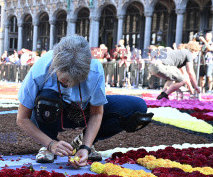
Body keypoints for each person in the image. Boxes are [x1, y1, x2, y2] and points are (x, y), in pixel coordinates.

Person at [17, 35, 153, 167]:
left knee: (137, 108)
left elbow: (96, 113)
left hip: (83, 112)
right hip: (51, 114)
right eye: (64, 81)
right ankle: (48, 144)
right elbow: (22, 118)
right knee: (47, 99)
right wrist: (50, 143)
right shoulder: (41, 69)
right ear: (55, 66)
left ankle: (84, 139)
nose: (69, 85)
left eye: (75, 82)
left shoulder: (94, 69)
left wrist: (86, 147)